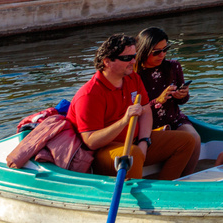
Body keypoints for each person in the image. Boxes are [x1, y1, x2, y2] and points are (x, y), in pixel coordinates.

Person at [68, 33, 198, 180]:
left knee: (187, 141)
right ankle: (137, 196)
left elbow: (146, 110)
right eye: (126, 58)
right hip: (103, 152)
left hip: (135, 141)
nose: (133, 61)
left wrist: (144, 141)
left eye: (134, 56)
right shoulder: (89, 94)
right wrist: (124, 121)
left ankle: (164, 187)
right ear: (107, 62)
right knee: (133, 153)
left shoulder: (133, 78)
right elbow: (91, 142)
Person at [136, 27, 200, 176]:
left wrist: (182, 95)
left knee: (194, 138)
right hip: (148, 125)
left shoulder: (173, 67)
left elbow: (182, 102)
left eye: (165, 49)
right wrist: (157, 101)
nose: (162, 55)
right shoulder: (134, 75)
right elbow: (135, 110)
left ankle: (186, 178)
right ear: (144, 50)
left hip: (173, 118)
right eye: (157, 52)